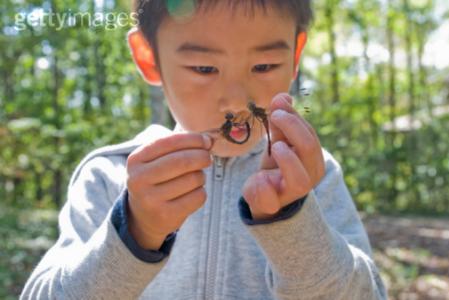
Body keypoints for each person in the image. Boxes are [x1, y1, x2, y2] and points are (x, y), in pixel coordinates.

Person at [21, 0, 387, 299]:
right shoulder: (109, 176)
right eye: (204, 68)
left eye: (264, 65)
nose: (235, 100)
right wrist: (133, 232)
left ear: (295, 56)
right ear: (149, 57)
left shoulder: (312, 176)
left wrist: (293, 220)